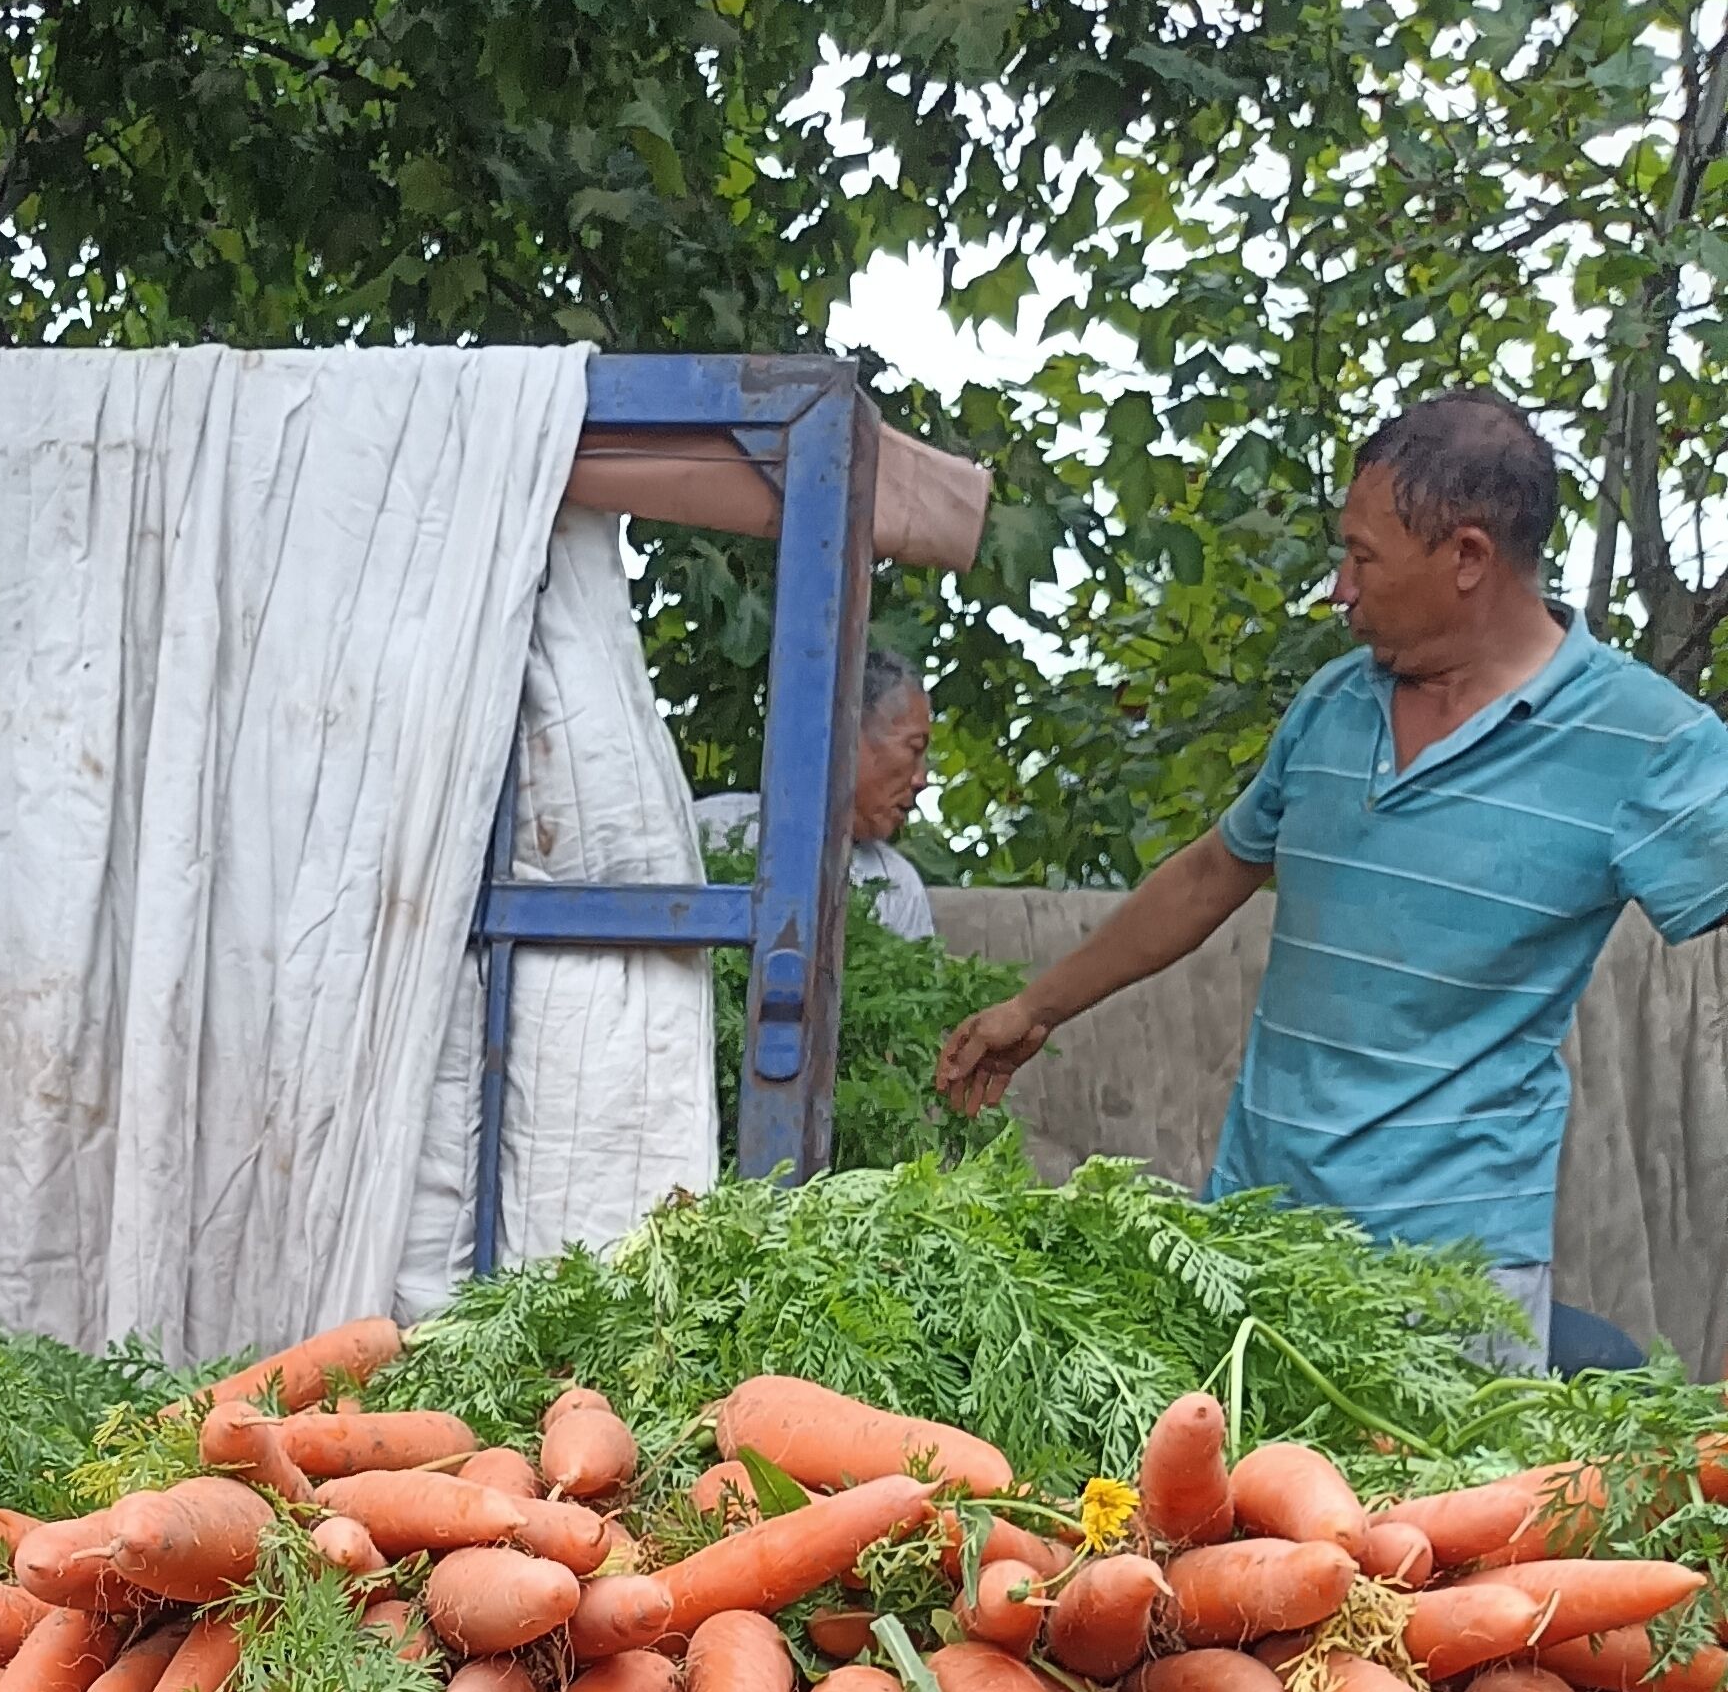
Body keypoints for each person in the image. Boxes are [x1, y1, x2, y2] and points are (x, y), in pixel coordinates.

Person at [935, 391, 1728, 1357]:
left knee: (1429, 1512)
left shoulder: (1646, 744)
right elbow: (1211, 873)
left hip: (1452, 1282)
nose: (1339, 590)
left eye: (1363, 558)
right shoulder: (1333, 706)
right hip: (1257, 1234)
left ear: (1468, 558)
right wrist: (1037, 1008)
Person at [698, 647, 935, 938]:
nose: (921, 779)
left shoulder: (898, 885)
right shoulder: (712, 832)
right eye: (914, 748)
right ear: (847, 732)